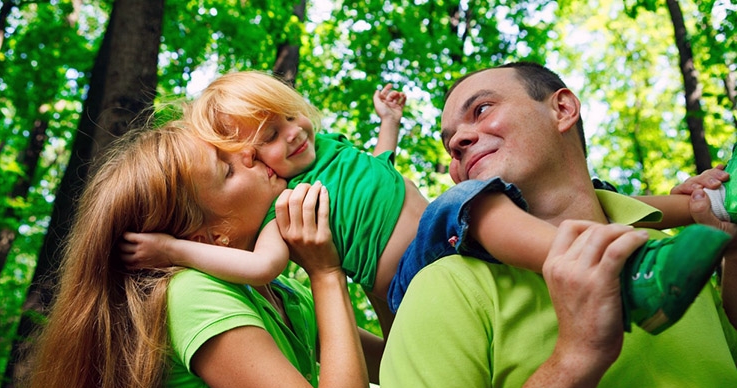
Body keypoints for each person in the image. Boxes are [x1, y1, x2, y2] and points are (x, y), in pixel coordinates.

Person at [124, 70, 731, 339]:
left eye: (287, 119)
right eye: (269, 141)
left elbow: (380, 163)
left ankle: (708, 201)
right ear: (257, 164)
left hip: (447, 245)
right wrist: (175, 248)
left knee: (559, 202)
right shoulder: (289, 205)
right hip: (410, 277)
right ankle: (624, 276)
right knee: (470, 201)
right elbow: (261, 266)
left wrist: (388, 120)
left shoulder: (332, 151)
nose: (291, 136)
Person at [379, 61, 737, 388]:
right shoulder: (447, 286)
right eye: (449, 144)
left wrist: (730, 245)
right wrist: (574, 359)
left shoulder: (669, 259)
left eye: (482, 109)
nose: (458, 142)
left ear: (563, 109)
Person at [21, 121, 381, 388]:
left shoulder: (279, 291)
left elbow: (390, 359)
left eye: (233, 148)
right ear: (207, 237)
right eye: (228, 170)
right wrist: (325, 273)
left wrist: (371, 251)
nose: (249, 153)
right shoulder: (193, 295)